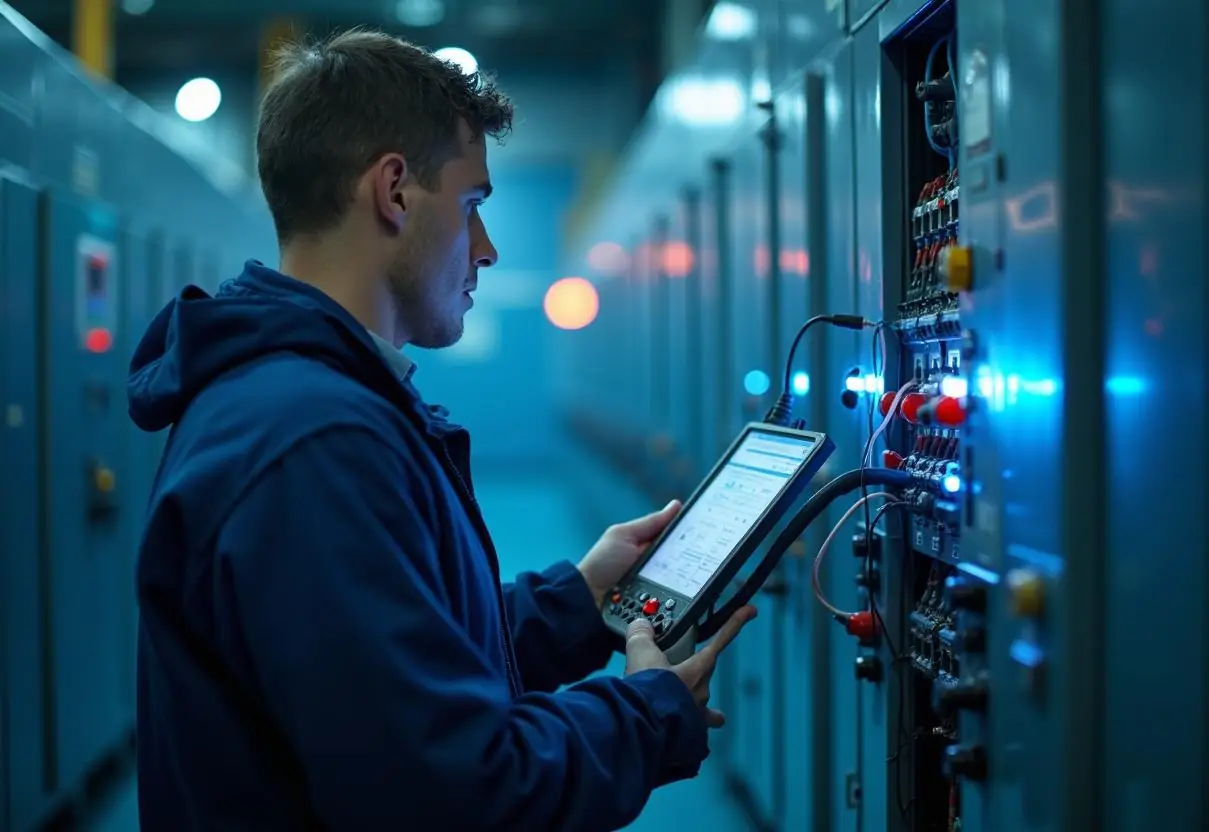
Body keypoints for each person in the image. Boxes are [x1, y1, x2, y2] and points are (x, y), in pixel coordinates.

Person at [126, 28, 756, 831]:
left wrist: (580, 598)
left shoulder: (309, 405)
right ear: (394, 191)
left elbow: (395, 664)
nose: (486, 249)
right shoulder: (314, 440)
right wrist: (644, 714)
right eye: (473, 206)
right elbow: (449, 793)